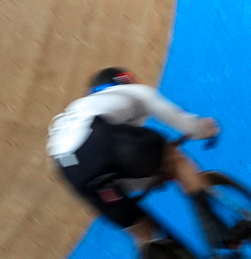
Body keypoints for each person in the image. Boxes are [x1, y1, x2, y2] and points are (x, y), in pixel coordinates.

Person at [48, 68, 223, 248]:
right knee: (174, 158)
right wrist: (201, 130)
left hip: (70, 169)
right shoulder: (131, 91)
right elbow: (174, 117)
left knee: (141, 229)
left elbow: (100, 164)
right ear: (125, 80)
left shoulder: (80, 110)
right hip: (101, 143)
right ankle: (216, 227)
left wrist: (148, 178)